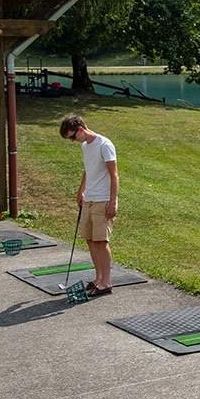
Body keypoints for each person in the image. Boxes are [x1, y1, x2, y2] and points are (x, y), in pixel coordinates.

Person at [60, 114, 118, 296]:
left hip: (103, 199)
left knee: (101, 241)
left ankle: (107, 283)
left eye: (72, 137)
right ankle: (98, 279)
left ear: (81, 130)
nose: (72, 141)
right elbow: (88, 170)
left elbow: (114, 175)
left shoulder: (105, 145)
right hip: (89, 199)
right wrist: (81, 190)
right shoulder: (86, 146)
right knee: (90, 239)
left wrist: (112, 201)